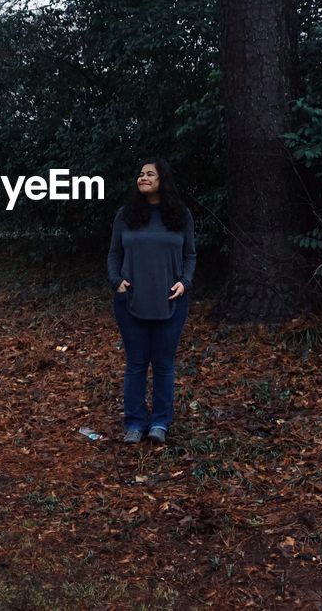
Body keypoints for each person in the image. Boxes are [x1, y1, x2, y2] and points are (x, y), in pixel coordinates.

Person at [106, 157, 196, 444]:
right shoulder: (126, 214)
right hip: (131, 302)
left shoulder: (180, 215)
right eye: (140, 173)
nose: (142, 177)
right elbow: (114, 254)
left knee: (163, 365)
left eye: (149, 174)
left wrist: (185, 282)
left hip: (171, 302)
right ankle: (133, 423)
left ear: (162, 180)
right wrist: (116, 281)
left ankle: (159, 422)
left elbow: (190, 255)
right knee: (135, 364)